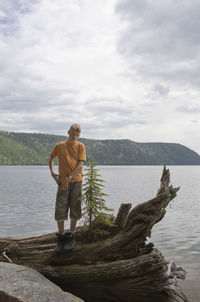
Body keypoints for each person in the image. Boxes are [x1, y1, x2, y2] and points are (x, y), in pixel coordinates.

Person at [48, 123, 86, 252]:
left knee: (75, 207)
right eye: (73, 134)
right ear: (68, 132)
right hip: (63, 182)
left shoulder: (81, 146)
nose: (75, 136)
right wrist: (53, 173)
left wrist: (68, 179)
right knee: (61, 207)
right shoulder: (60, 146)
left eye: (77, 135)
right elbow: (50, 159)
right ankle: (61, 238)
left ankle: (71, 235)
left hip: (76, 181)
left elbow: (80, 166)